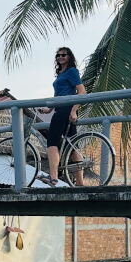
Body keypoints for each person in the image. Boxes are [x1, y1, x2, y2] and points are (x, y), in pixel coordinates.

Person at [43, 47, 86, 186]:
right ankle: (80, 182)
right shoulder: (61, 73)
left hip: (65, 110)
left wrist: (74, 110)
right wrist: (49, 109)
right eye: (58, 55)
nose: (60, 57)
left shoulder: (71, 71)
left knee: (52, 142)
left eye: (63, 54)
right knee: (72, 145)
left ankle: (53, 178)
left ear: (69, 56)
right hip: (61, 108)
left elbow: (82, 92)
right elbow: (59, 95)